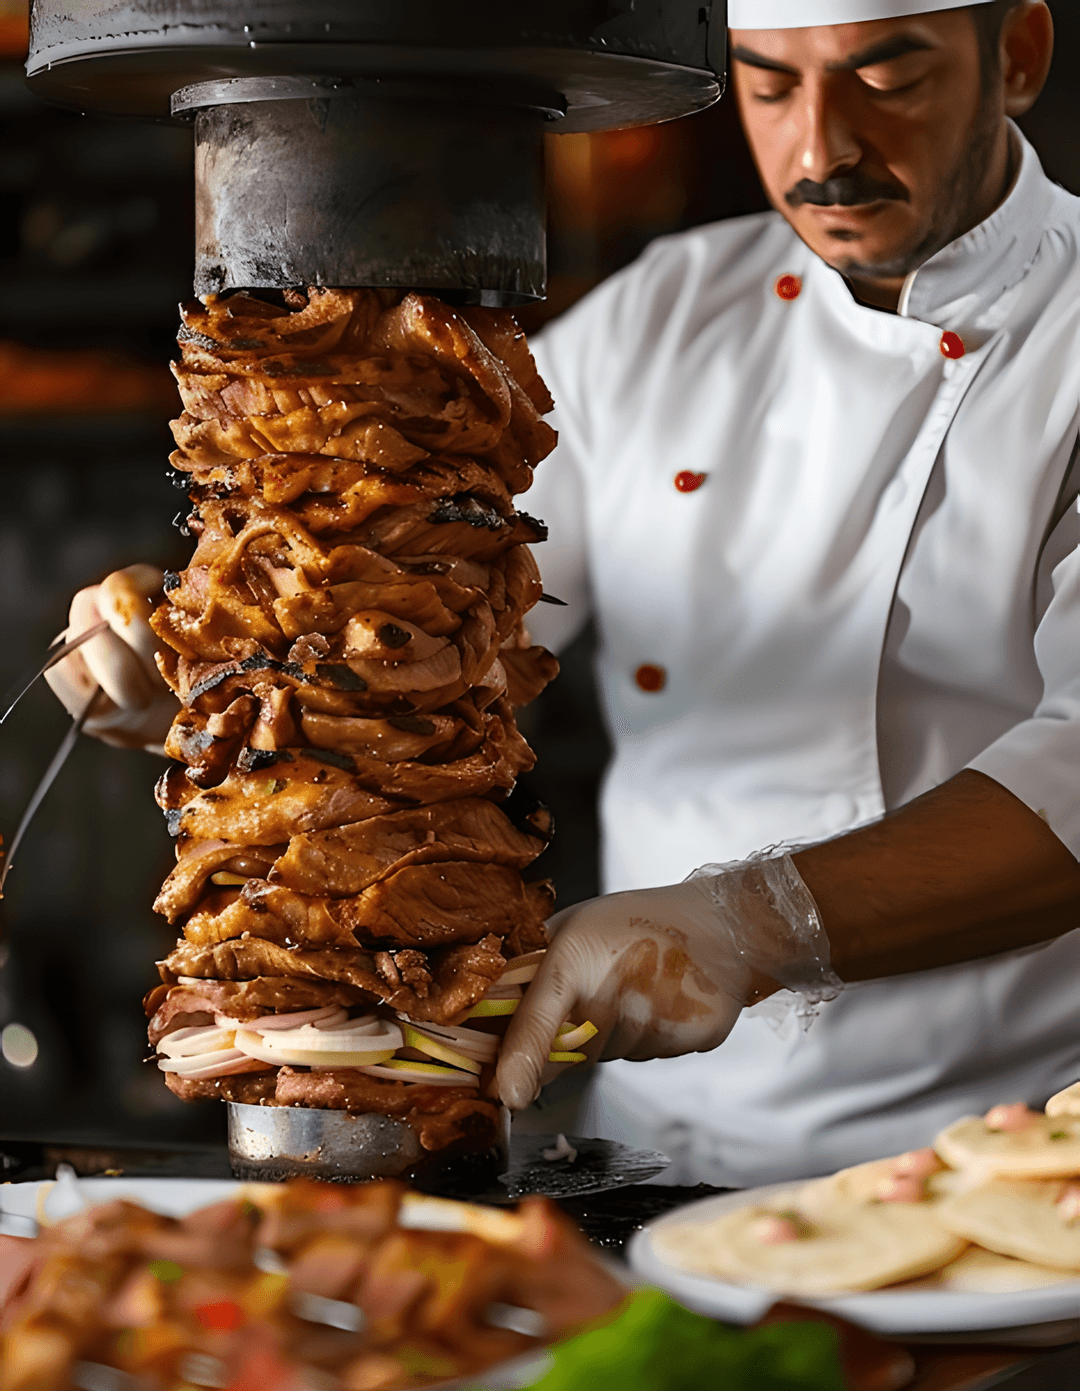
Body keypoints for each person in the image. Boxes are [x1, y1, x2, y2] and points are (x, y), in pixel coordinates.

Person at [49, 1, 1080, 1186]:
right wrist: (202, 664)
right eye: (770, 85)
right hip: (661, 1144)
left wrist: (749, 925)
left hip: (1001, 1151)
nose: (822, 148)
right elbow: (431, 601)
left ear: (1018, 56)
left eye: (886, 77)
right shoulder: (672, 314)